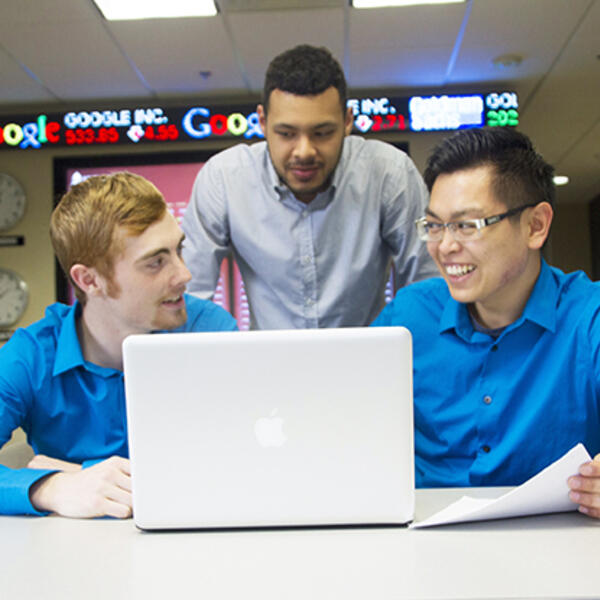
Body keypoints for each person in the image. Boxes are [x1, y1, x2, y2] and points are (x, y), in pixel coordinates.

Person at [372, 127, 600, 518]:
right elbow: (342, 417)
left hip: (553, 547)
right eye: (435, 226)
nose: (444, 247)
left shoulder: (587, 317)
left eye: (467, 225)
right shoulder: (410, 315)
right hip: (422, 543)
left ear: (535, 226)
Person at [0, 173, 237, 518]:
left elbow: (247, 464)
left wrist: (81, 473)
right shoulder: (31, 356)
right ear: (90, 280)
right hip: (72, 559)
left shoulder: (209, 332)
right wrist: (49, 487)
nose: (184, 275)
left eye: (178, 250)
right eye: (156, 261)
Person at [182, 44, 436, 330]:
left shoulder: (389, 173)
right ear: (263, 122)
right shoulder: (225, 179)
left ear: (347, 121)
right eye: (287, 133)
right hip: (266, 364)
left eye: (322, 133)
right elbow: (189, 297)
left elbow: (427, 290)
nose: (304, 151)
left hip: (365, 361)